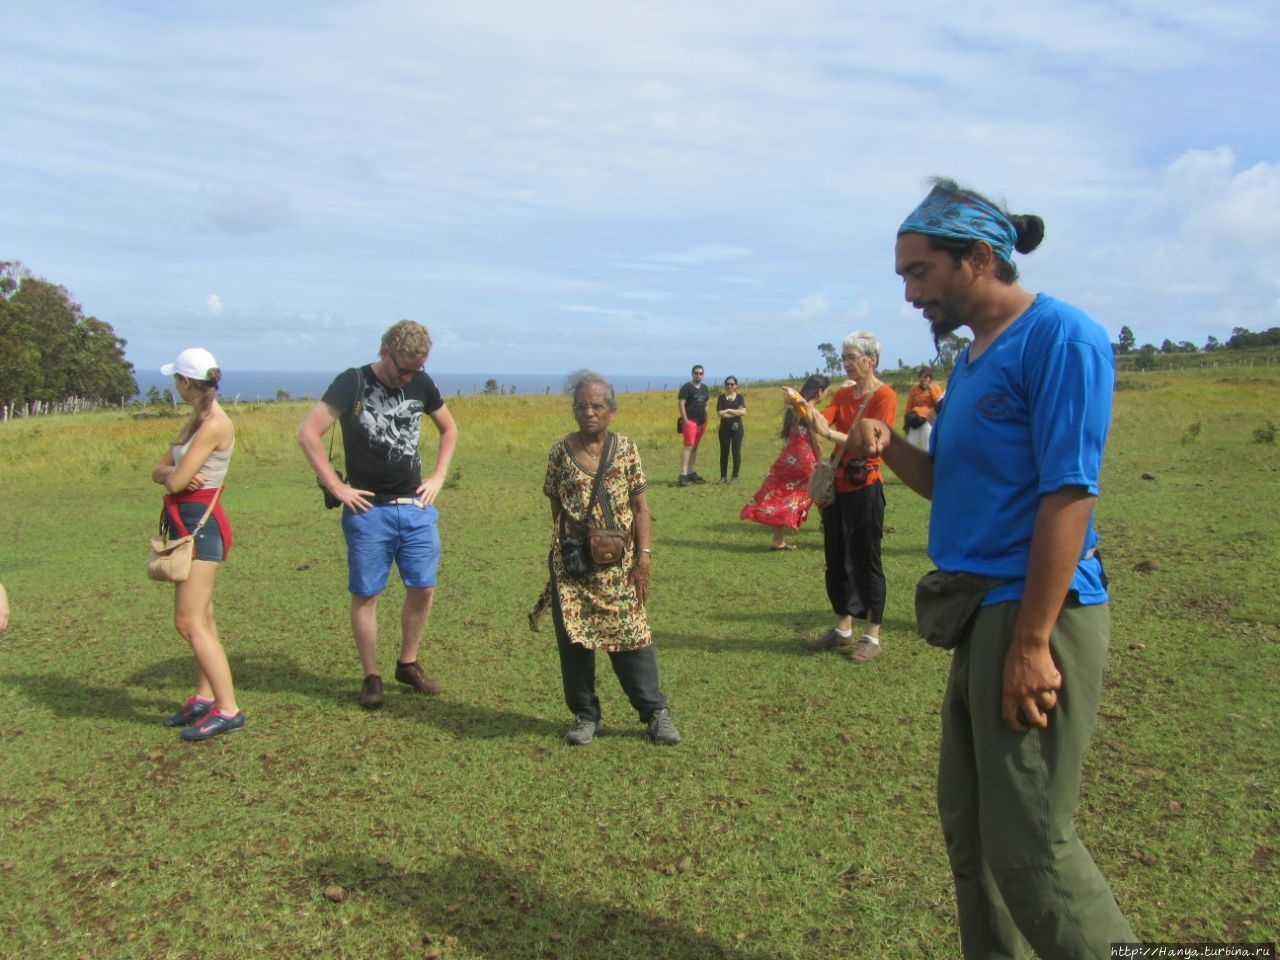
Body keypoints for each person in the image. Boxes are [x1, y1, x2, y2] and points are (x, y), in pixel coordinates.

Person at [845, 177, 1133, 957]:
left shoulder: (1062, 338)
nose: (908, 294)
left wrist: (1034, 643)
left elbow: (1069, 494)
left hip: (1033, 612)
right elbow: (953, 485)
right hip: (976, 613)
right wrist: (888, 443)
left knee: (1033, 851)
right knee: (972, 838)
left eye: (919, 272)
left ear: (977, 258)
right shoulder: (971, 360)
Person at [297, 320, 459, 708]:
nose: (408, 377)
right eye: (402, 368)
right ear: (384, 352)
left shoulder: (421, 382)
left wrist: (438, 476)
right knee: (367, 594)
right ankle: (371, 676)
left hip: (415, 509)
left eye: (416, 369)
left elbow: (449, 429)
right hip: (368, 511)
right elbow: (308, 433)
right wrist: (336, 487)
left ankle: (408, 662)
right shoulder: (351, 382)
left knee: (423, 588)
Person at [529, 370, 680, 747]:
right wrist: (578, 547)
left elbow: (641, 509)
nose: (589, 412)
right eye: (581, 405)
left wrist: (643, 558)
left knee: (632, 637)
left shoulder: (626, 449)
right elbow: (557, 508)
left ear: (612, 410)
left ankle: (655, 714)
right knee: (575, 642)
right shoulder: (559, 453)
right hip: (574, 569)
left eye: (597, 405)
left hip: (621, 567)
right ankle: (585, 715)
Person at [150, 348, 245, 740]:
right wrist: (172, 472)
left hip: (202, 526)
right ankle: (206, 698)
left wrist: (172, 475)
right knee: (202, 618)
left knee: (187, 622)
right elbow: (160, 471)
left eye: (176, 379)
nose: (175, 384)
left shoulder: (214, 425)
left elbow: (171, 481)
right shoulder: (196, 421)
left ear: (186, 383)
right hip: (186, 523)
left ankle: (228, 709)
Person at [805, 334, 897, 662]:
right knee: (836, 557)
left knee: (866, 559)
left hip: (865, 486)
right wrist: (804, 407)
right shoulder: (844, 393)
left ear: (871, 360)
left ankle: (872, 635)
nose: (845, 362)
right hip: (837, 490)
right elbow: (821, 421)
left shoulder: (884, 395)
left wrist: (829, 433)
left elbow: (870, 444)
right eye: (844, 356)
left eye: (852, 356)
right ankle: (843, 627)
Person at [739, 374, 829, 550]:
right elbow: (818, 442)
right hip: (805, 458)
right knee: (819, 493)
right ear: (820, 391)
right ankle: (833, 530)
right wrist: (821, 462)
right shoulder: (812, 412)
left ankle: (778, 540)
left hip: (788, 457)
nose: (826, 395)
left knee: (779, 494)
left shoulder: (795, 410)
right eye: (826, 392)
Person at [676, 364, 709, 486]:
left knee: (695, 447)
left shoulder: (705, 388)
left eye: (701, 373)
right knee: (688, 446)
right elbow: (681, 403)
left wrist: (707, 418)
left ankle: (690, 471)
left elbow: (706, 404)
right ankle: (683, 474)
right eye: (696, 373)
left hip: (701, 422)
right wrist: (685, 420)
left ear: (703, 375)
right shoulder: (687, 387)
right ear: (692, 374)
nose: (698, 375)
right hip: (690, 422)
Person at [904, 365, 944, 450]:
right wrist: (906, 423)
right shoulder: (914, 390)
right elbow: (908, 406)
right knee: (911, 446)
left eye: (926, 378)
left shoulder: (936, 388)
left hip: (928, 420)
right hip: (915, 419)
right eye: (921, 377)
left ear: (930, 379)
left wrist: (931, 390)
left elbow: (939, 404)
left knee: (927, 446)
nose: (923, 380)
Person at [715, 375, 747, 482]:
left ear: (736, 385)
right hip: (724, 429)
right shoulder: (721, 398)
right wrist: (735, 412)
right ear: (725, 385)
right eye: (727, 384)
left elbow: (743, 412)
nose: (729, 386)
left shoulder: (740, 398)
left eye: (732, 384)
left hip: (737, 429)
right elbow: (720, 413)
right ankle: (723, 476)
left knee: (736, 452)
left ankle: (735, 476)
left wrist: (728, 410)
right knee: (724, 452)